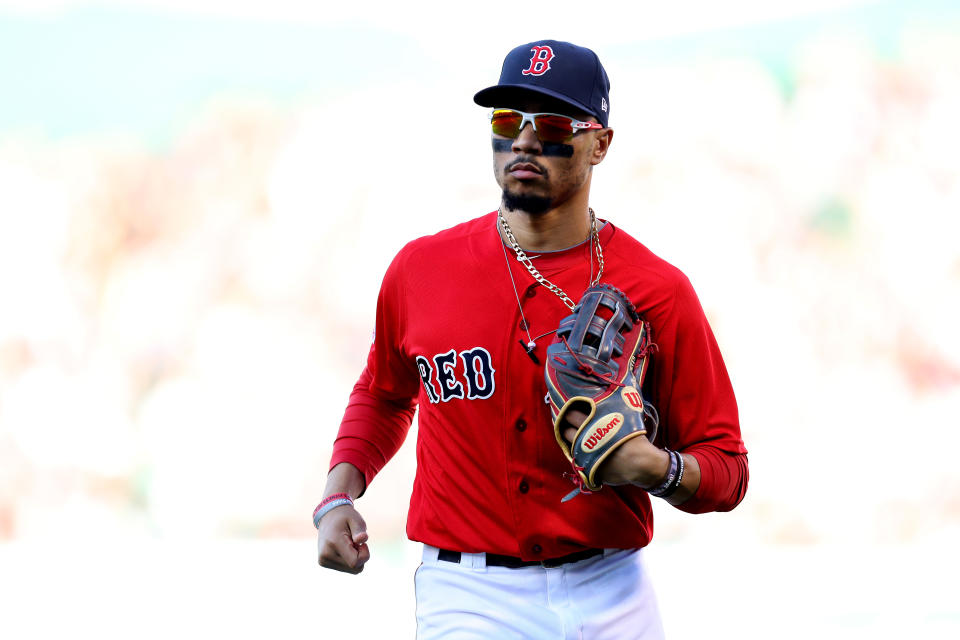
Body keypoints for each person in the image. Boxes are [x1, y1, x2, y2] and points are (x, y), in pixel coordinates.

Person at [315, 40, 749, 639]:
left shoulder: (658, 290)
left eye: (549, 124)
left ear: (600, 143)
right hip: (469, 593)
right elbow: (385, 394)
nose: (522, 140)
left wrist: (658, 468)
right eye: (506, 121)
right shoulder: (422, 270)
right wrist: (338, 496)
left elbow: (727, 468)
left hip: (612, 590)